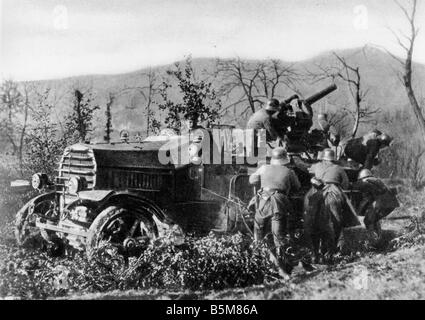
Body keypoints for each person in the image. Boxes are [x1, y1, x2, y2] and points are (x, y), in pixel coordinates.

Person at [248, 147, 312, 275]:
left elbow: (252, 180)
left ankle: (258, 261)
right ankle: (282, 266)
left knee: (258, 230)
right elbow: (297, 187)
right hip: (279, 203)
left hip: (263, 202)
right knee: (278, 235)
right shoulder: (289, 171)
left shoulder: (264, 168)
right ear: (285, 159)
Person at [308, 148, 359, 254]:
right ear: (333, 158)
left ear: (323, 158)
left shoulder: (316, 166)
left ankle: (315, 248)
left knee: (313, 215)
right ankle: (336, 246)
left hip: (319, 191)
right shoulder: (339, 168)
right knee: (341, 214)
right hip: (334, 191)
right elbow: (345, 184)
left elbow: (308, 171)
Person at [352, 169, 399, 237]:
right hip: (392, 204)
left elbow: (366, 197)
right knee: (373, 219)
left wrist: (358, 211)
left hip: (382, 204)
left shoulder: (366, 181)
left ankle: (372, 238)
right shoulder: (376, 180)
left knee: (368, 221)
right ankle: (378, 236)